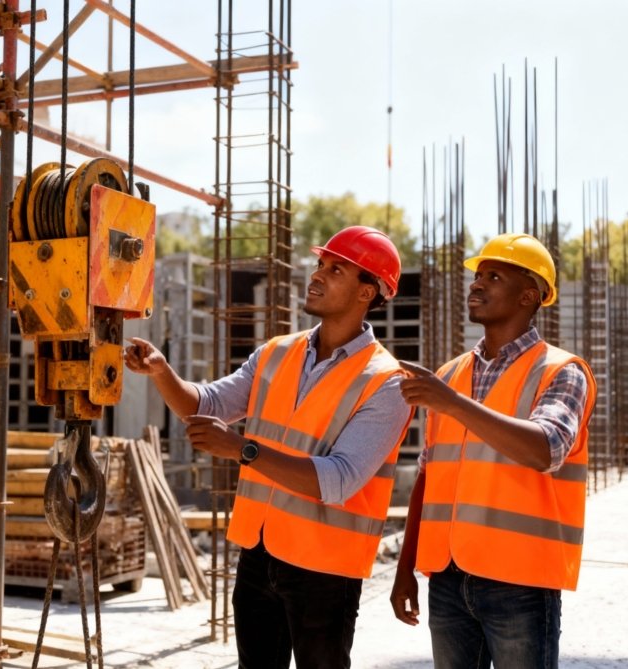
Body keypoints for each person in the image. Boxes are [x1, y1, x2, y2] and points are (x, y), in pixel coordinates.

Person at [125, 225, 413, 669]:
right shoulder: (278, 352)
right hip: (260, 554)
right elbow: (208, 403)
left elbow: (338, 479)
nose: (317, 275)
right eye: (320, 264)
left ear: (367, 291)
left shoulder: (387, 382)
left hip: (326, 568)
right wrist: (163, 373)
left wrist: (242, 449)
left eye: (336, 269)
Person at [390, 232, 597, 668]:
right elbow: (427, 479)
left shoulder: (562, 372)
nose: (477, 284)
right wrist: (405, 567)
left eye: (494, 275)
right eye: (478, 275)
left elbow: (546, 448)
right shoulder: (449, 375)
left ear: (529, 295)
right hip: (446, 578)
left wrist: (451, 402)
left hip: (519, 582)